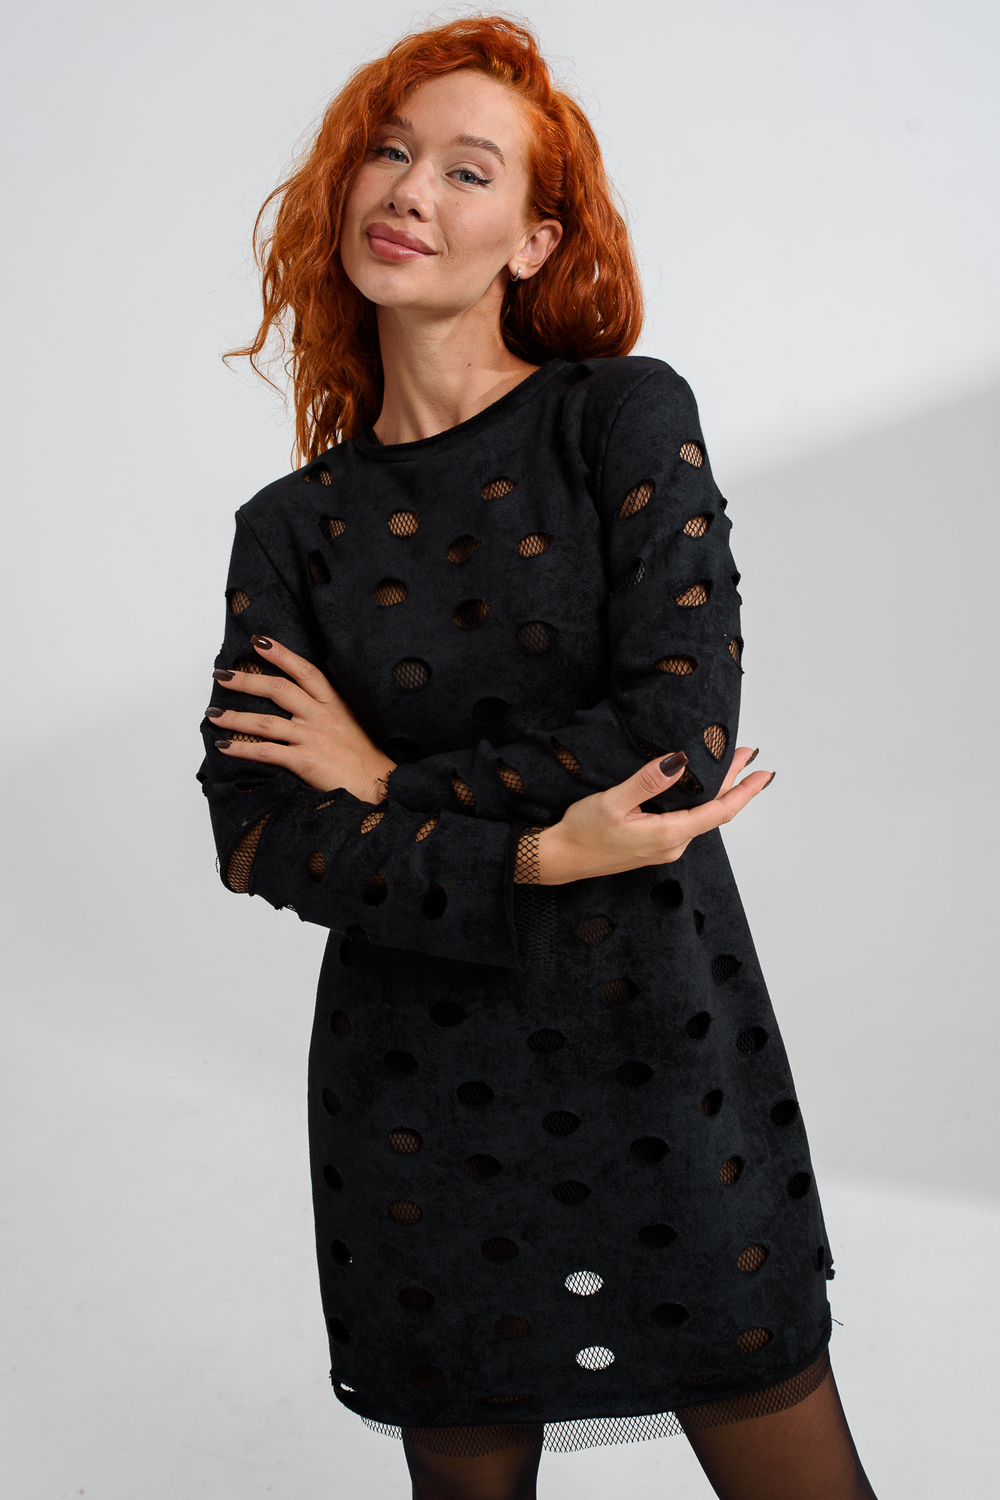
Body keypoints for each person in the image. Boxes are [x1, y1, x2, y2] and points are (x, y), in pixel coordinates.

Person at [197, 16, 877, 1500]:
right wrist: (532, 852)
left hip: (664, 1058)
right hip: (412, 1093)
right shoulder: (290, 529)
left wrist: (385, 786)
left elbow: (675, 738)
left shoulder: (621, 418)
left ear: (533, 239)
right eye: (390, 153)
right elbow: (256, 831)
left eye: (467, 169)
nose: (410, 189)